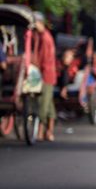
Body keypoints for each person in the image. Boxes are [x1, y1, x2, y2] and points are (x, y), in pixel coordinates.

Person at [32, 12, 57, 141]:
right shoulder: (41, 36)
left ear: (40, 23)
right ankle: (49, 132)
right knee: (49, 105)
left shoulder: (45, 38)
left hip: (46, 75)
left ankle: (41, 132)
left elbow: (43, 59)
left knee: (43, 104)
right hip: (45, 74)